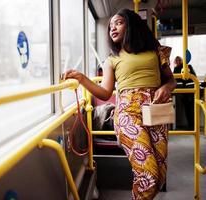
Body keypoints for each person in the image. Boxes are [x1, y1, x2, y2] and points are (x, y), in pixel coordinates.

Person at [63, 9, 176, 199]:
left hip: (156, 112)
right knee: (148, 175)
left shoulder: (156, 50)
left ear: (130, 24)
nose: (112, 28)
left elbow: (170, 80)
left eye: (118, 23)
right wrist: (82, 78)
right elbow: (105, 93)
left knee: (159, 176)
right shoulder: (112, 59)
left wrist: (166, 88)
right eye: (110, 26)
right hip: (128, 115)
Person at [173, 56, 196, 130]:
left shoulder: (188, 66)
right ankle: (191, 126)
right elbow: (175, 80)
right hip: (183, 91)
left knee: (191, 109)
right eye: (176, 60)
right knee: (188, 109)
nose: (178, 61)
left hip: (189, 90)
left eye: (179, 59)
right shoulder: (177, 68)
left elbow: (193, 77)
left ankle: (192, 125)